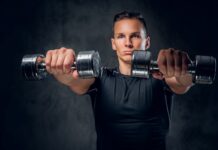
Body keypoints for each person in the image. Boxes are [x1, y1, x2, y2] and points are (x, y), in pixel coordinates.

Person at [44, 11, 193, 150]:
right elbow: (73, 80)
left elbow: (183, 82)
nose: (128, 43)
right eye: (121, 36)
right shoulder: (100, 77)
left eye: (135, 35)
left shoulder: (162, 76)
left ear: (147, 42)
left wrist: (181, 67)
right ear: (113, 43)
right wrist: (61, 68)